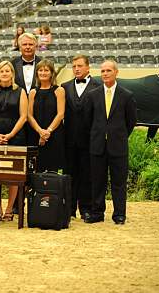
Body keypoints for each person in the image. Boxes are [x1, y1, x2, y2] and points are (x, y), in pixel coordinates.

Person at [84, 60, 137, 225]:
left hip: (118, 146)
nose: (105, 74)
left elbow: (131, 121)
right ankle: (97, 213)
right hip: (97, 145)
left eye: (108, 70)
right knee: (97, 181)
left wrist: (118, 136)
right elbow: (88, 120)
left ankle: (119, 214)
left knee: (119, 182)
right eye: (102, 71)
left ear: (116, 72)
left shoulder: (126, 95)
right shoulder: (92, 95)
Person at [0, 60, 28, 221]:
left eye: (7, 71)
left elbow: (24, 116)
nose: (4, 73)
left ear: (12, 74)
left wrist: (10, 134)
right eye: (2, 71)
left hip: (15, 136)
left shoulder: (20, 91)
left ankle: (9, 209)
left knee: (13, 174)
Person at [61, 54, 101, 219]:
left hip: (90, 140)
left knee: (87, 175)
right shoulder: (64, 86)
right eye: (74, 66)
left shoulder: (98, 86)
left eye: (79, 66)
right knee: (69, 174)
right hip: (69, 140)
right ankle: (68, 208)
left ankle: (86, 208)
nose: (76, 69)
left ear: (88, 67)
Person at [27, 59, 66, 172]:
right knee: (36, 168)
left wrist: (47, 132)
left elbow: (60, 114)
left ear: (52, 73)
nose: (43, 73)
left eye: (46, 70)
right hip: (35, 134)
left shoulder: (59, 90)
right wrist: (40, 131)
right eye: (40, 70)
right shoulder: (33, 92)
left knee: (52, 170)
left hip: (54, 135)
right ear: (37, 73)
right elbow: (29, 115)